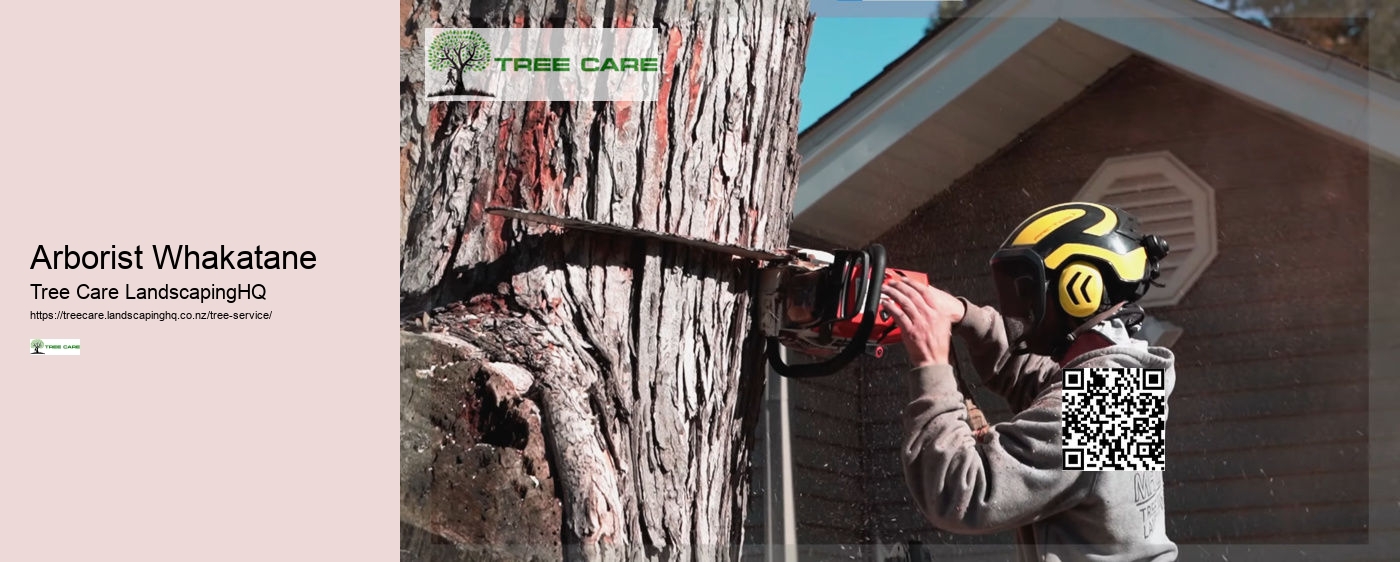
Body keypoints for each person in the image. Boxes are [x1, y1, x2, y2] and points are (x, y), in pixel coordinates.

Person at [881, 201, 1179, 561]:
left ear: (1080, 289)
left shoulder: (1103, 408)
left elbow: (962, 493)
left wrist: (931, 364)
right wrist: (964, 317)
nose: (1020, 310)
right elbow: (1034, 379)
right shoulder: (1120, 384)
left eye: (1027, 291)